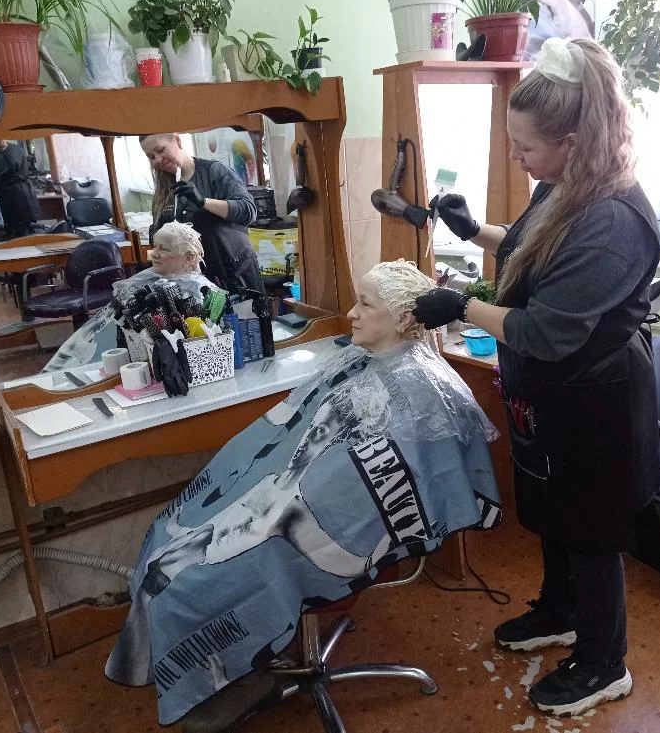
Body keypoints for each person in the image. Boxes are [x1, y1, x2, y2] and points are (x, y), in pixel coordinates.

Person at [105, 260, 502, 731]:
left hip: (317, 529)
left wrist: (272, 519)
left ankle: (222, 678)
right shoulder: (360, 361)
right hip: (274, 504)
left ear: (401, 318)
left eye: (365, 304)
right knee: (165, 547)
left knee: (184, 583)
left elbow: (364, 500)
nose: (351, 313)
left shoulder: (416, 388)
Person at [411, 37, 660, 717]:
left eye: (525, 147)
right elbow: (533, 246)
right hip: (547, 393)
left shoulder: (613, 220)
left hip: (596, 399)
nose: (517, 158)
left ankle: (605, 661)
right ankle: (560, 609)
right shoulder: (566, 184)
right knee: (552, 509)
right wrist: (475, 231)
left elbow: (546, 331)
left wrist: (460, 305)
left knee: (591, 529)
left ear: (573, 143)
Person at [43, 223, 220, 372]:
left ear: (188, 257)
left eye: (164, 249)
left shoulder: (200, 292)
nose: (154, 254)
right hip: (111, 351)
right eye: (154, 246)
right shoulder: (148, 277)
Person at [140, 133, 263, 297]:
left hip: (234, 274)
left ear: (177, 141)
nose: (158, 159)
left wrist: (204, 202)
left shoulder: (214, 172)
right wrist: (157, 253)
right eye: (151, 157)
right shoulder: (164, 189)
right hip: (191, 282)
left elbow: (248, 211)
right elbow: (156, 232)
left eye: (160, 150)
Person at [0, 139, 41, 238]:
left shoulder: (0, 156)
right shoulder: (16, 149)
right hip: (23, 189)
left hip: (11, 193)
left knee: (18, 226)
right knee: (24, 224)